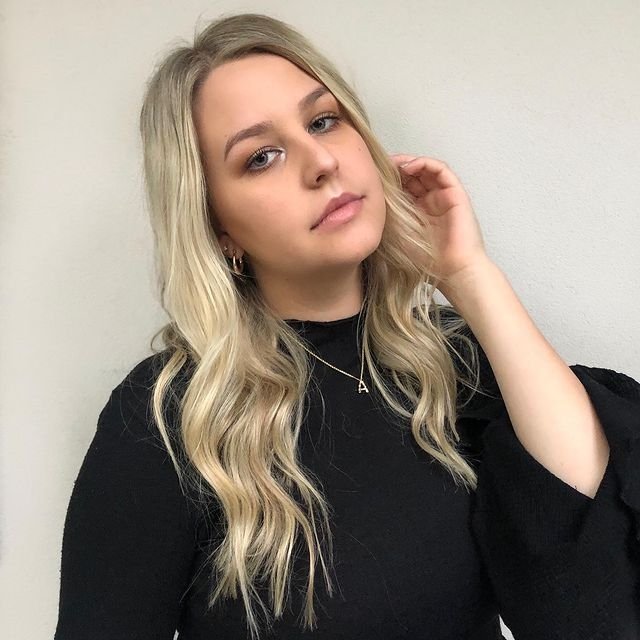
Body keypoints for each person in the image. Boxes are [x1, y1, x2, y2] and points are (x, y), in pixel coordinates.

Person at [54, 11, 640, 640]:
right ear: (217, 227)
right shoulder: (172, 415)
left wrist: (468, 273)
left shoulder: (449, 360)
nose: (320, 162)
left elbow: (592, 541)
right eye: (261, 157)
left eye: (323, 121)